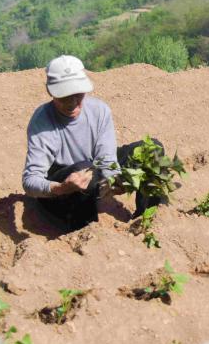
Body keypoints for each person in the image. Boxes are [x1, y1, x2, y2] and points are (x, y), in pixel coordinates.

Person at [21, 55, 163, 232]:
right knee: (85, 168)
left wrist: (115, 179)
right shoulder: (42, 122)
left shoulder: (99, 111)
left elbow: (106, 158)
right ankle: (82, 229)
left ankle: (146, 218)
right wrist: (61, 188)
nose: (72, 102)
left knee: (151, 149)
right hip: (61, 192)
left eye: (78, 94)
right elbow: (30, 181)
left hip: (91, 175)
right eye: (64, 96)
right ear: (50, 91)